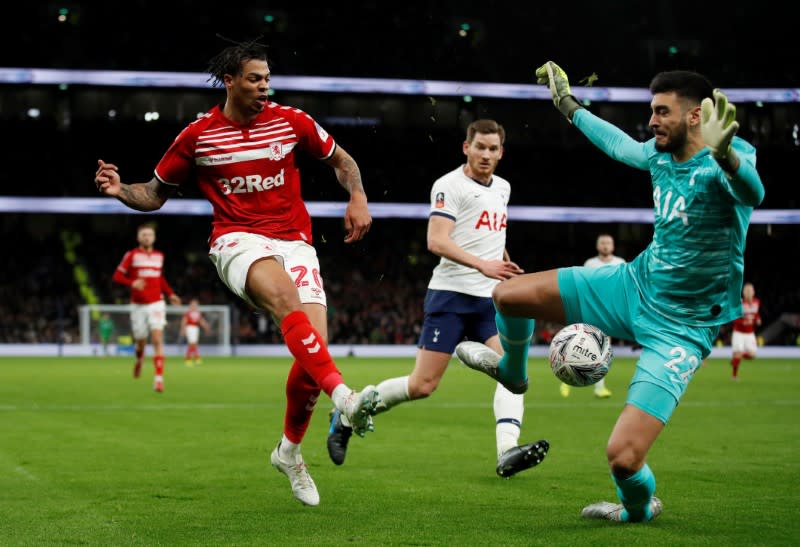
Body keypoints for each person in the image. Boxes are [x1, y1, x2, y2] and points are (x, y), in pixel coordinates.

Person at [456, 61, 764, 522]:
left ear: (696, 116)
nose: (652, 121)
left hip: (683, 328)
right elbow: (619, 145)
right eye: (651, 111)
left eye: (662, 112)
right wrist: (567, 105)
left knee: (623, 457)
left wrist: (726, 156)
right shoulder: (660, 154)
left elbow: (752, 192)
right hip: (633, 285)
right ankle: (514, 374)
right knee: (508, 296)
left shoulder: (731, 156)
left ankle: (637, 509)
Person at [94, 39, 380, 507]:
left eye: (267, 78)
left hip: (295, 242)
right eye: (254, 79)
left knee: (313, 354)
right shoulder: (198, 136)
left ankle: (289, 453)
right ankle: (345, 397)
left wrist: (358, 196)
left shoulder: (292, 122)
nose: (264, 87)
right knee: (287, 300)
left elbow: (342, 161)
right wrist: (119, 188)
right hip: (236, 240)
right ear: (230, 81)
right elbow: (153, 193)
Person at [326, 119, 549, 477]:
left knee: (513, 371)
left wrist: (502, 258)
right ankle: (348, 413)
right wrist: (483, 265)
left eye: (493, 149)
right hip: (450, 296)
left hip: (487, 299)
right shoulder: (449, 185)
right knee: (422, 385)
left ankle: (507, 450)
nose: (486, 155)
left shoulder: (503, 188)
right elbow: (437, 240)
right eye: (480, 147)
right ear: (466, 147)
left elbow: (485, 231)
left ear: (501, 152)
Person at [112, 222, 182, 392]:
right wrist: (132, 282)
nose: (146, 237)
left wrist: (170, 293)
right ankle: (139, 359)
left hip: (156, 303)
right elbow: (117, 276)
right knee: (141, 341)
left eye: (149, 234)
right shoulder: (132, 255)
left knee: (157, 338)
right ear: (138, 237)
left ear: (154, 238)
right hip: (138, 305)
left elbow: (160, 278)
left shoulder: (159, 256)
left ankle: (158, 378)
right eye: (143, 234)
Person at [559, 233, 625, 399]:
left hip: (609, 311)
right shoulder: (590, 263)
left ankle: (599, 388)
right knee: (580, 345)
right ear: (597, 246)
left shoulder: (621, 263)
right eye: (602, 243)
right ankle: (567, 380)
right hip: (591, 309)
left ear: (613, 246)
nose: (605, 245)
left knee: (602, 349)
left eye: (608, 243)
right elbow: (584, 286)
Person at [730, 282, 761, 380]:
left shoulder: (757, 302)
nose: (748, 293)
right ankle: (734, 376)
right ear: (743, 292)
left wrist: (758, 319)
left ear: (753, 292)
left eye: (750, 290)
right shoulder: (740, 304)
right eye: (746, 291)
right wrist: (743, 322)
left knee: (752, 355)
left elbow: (755, 315)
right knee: (738, 353)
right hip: (738, 333)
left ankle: (735, 358)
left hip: (750, 333)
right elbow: (733, 318)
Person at [180, 297, 212, 366]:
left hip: (196, 328)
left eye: (195, 304)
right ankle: (190, 359)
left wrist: (206, 327)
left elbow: (201, 321)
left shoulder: (198, 313)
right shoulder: (188, 313)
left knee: (194, 344)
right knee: (192, 343)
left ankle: (195, 358)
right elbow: (184, 321)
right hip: (189, 328)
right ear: (190, 305)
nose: (194, 306)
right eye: (193, 304)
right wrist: (183, 329)